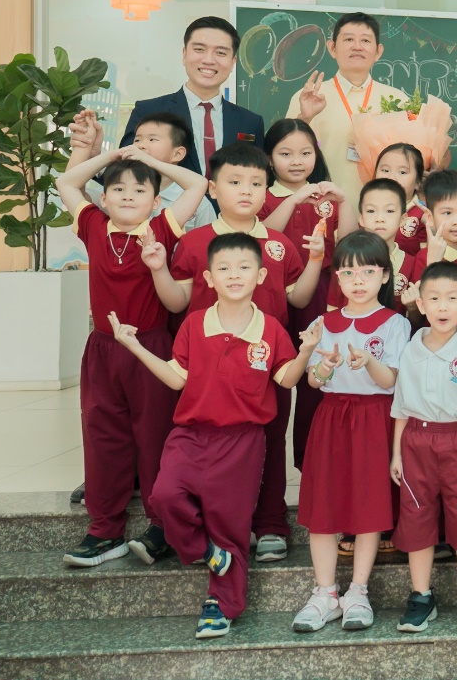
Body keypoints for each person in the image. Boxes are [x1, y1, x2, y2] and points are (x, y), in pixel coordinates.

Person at [109, 233, 312, 638]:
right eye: (223, 268)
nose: (234, 275)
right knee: (164, 495)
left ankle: (220, 606)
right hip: (190, 434)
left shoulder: (270, 329)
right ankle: (204, 552)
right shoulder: (193, 324)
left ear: (260, 275)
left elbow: (286, 379)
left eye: (243, 268)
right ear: (208, 277)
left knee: (229, 523)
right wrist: (132, 345)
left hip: (243, 441)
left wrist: (307, 351)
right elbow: (176, 378)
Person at [157, 142, 325, 565]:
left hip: (271, 361)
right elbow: (178, 303)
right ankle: (216, 525)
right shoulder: (195, 244)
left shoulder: (278, 244)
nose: (246, 191)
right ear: (213, 188)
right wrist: (157, 267)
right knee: (208, 446)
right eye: (234, 182)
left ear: (268, 190)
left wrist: (316, 262)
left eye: (256, 183)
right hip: (208, 369)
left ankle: (270, 523)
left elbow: (299, 297)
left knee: (269, 440)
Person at [55, 145, 208, 569]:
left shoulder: (162, 225)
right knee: (102, 435)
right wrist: (108, 160)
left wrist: (150, 162)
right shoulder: (92, 225)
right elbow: (66, 182)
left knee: (155, 437)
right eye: (117, 189)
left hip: (152, 348)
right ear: (103, 198)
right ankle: (105, 531)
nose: (126, 195)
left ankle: (163, 527)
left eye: (139, 190)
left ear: (155, 201)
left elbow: (197, 183)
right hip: (103, 349)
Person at [291, 231, 409, 633]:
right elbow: (314, 380)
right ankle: (325, 593)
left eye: (367, 271)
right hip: (332, 418)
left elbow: (392, 379)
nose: (357, 280)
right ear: (337, 279)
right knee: (323, 507)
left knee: (368, 506)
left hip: (375, 419)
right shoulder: (324, 323)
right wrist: (325, 367)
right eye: (348, 272)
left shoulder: (395, 323)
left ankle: (358, 590)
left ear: (383, 275)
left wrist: (365, 363)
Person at [388, 261, 457, 636]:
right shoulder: (411, 346)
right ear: (420, 302)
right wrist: (396, 453)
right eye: (433, 298)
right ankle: (421, 596)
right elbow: (400, 405)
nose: (443, 307)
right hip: (416, 439)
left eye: (452, 299)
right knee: (416, 516)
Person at [258, 119, 344, 471]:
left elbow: (347, 240)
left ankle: (311, 462)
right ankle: (266, 460)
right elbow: (260, 233)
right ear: (269, 157)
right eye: (285, 153)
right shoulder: (260, 194)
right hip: (270, 295)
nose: (296, 161)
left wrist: (345, 201)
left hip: (319, 294)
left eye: (305, 153)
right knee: (274, 376)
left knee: (315, 377)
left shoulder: (327, 197)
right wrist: (293, 199)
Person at [120, 16, 266, 178]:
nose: (209, 60)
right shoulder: (148, 111)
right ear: (184, 54)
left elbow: (260, 177)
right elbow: (123, 171)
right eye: (199, 50)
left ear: (232, 62)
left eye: (220, 53)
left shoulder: (251, 122)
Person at [289, 12, 410, 194]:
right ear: (332, 48)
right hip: (322, 206)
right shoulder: (308, 97)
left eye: (366, 41)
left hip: (383, 213)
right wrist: (304, 118)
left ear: (378, 52)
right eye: (348, 40)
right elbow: (285, 155)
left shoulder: (398, 100)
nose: (357, 47)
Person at [70, 109, 216, 232]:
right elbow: (71, 188)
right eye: (137, 140)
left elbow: (208, 250)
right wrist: (85, 147)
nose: (141, 146)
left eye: (152, 140)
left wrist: (152, 162)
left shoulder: (197, 203)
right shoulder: (117, 194)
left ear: (177, 154)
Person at [402, 171, 457, 336]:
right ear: (430, 217)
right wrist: (434, 265)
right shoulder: (425, 258)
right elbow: (420, 316)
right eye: (447, 213)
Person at [334, 179, 421, 316]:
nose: (380, 218)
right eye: (371, 211)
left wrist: (413, 308)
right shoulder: (347, 261)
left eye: (389, 211)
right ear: (361, 219)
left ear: (403, 219)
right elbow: (332, 311)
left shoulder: (412, 264)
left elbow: (416, 323)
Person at [372, 143, 428, 258]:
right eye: (385, 170)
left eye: (402, 172)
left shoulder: (423, 216)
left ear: (418, 182)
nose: (391, 177)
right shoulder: (368, 209)